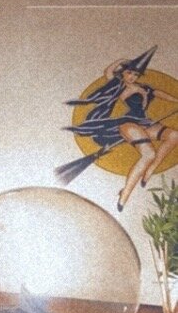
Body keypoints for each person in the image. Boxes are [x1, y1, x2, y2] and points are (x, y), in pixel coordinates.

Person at [65, 46, 178, 211]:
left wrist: (176, 101)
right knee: (149, 154)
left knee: (174, 136)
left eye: (135, 74)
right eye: (129, 72)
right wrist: (120, 61)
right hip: (128, 123)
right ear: (123, 72)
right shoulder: (118, 85)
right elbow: (108, 72)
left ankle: (149, 171)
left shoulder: (144, 88)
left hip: (145, 123)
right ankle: (125, 193)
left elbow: (159, 93)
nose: (132, 77)